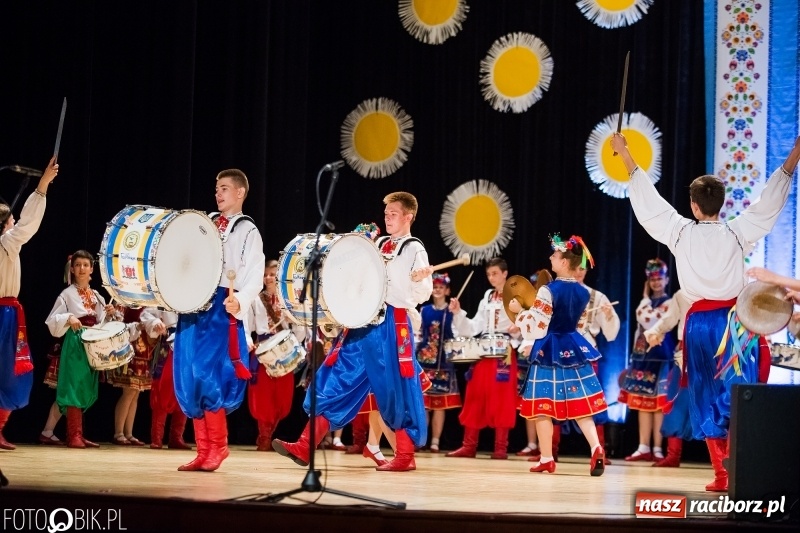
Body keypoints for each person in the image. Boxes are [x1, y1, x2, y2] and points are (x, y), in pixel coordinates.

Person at [610, 132, 800, 491]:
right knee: (738, 392)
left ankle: (723, 474)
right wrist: (793, 158)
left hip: (700, 326)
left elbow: (649, 201)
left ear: (694, 207)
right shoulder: (736, 232)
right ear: (721, 205)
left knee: (706, 393)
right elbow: (767, 206)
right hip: (735, 325)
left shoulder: (681, 232)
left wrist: (625, 155)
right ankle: (744, 469)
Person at [273, 191, 433, 472]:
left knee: (396, 388)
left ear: (409, 217)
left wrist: (420, 281)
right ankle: (304, 444)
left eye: (393, 214)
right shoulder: (379, 243)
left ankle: (405, 457)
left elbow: (422, 292)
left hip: (391, 325)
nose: (388, 217)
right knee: (336, 378)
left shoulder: (413, 248)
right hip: (363, 323)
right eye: (386, 213)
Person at [173, 168, 265, 472]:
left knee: (205, 372)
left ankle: (219, 447)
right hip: (193, 303)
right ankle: (203, 450)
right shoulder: (206, 223)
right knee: (189, 373)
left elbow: (255, 273)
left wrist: (241, 298)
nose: (218, 193)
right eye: (217, 188)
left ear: (240, 193)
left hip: (219, 306)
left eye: (225, 188)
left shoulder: (247, 230)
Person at [511, 234, 608, 476]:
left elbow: (537, 325)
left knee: (542, 407)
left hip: (549, 349)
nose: (550, 258)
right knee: (580, 406)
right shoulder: (584, 293)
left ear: (564, 262)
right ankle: (596, 447)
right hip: (573, 348)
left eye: (554, 256)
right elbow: (580, 323)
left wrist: (519, 311)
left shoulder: (548, 290)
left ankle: (546, 458)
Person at [0, 157, 58, 450]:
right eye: (9, 221)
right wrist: (43, 185)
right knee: (10, 371)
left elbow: (24, 223)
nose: (13, 224)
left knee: (10, 370)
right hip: (3, 315)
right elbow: (28, 224)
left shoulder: (6, 242)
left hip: (8, 313)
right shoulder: (7, 242)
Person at [446, 257, 520, 460]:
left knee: (502, 398)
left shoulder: (516, 296)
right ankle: (469, 445)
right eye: (489, 274)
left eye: (495, 273)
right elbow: (474, 326)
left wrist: (518, 328)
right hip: (484, 351)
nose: (491, 277)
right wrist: (458, 312)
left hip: (504, 353)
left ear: (505, 273)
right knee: (475, 394)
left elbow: (527, 322)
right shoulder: (487, 297)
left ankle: (500, 448)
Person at [43, 250, 115, 448]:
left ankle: (77, 433)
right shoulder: (66, 294)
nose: (82, 269)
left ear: (92, 268)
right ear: (72, 269)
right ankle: (73, 435)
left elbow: (102, 323)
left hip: (92, 343)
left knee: (85, 386)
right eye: (78, 265)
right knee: (74, 386)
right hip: (75, 342)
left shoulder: (98, 296)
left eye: (86, 265)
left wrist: (109, 314)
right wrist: (68, 318)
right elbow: (52, 321)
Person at [618, 259, 675, 462]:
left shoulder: (669, 303)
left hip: (660, 356)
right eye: (652, 280)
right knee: (642, 402)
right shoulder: (650, 304)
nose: (656, 283)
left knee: (659, 403)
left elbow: (648, 319)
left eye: (659, 279)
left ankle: (658, 448)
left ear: (667, 280)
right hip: (642, 355)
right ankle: (643, 446)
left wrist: (644, 298)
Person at [245, 260, 304, 452]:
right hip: (263, 349)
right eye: (265, 275)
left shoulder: (289, 301)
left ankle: (268, 435)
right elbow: (247, 326)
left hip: (284, 349)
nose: (268, 278)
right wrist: (247, 339)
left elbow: (300, 331)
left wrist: (294, 320)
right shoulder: (254, 299)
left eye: (272, 274)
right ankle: (264, 437)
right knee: (263, 397)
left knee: (282, 398)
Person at [643, 289, 694, 467]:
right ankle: (673, 455)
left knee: (717, 403)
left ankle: (723, 460)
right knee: (676, 401)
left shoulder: (721, 290)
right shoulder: (682, 294)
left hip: (714, 351)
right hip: (685, 353)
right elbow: (670, 318)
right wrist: (655, 331)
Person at [574, 264, 619, 465]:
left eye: (582, 267)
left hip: (586, 353)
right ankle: (549, 452)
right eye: (575, 267)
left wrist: (608, 315)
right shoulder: (554, 292)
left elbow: (611, 333)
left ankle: (599, 450)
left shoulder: (596, 297)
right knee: (554, 398)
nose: (579, 271)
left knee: (592, 402)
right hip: (560, 351)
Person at [416, 272, 462, 453]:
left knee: (440, 405)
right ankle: (422, 440)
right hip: (424, 361)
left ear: (447, 290)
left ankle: (435, 441)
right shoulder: (424, 310)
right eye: (435, 287)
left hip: (443, 363)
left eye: (441, 287)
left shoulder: (451, 311)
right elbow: (419, 334)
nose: (437, 290)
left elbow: (457, 334)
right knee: (424, 404)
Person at [140, 309, 191, 449]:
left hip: (189, 343)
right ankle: (157, 438)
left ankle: (176, 437)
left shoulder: (197, 296)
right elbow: (146, 314)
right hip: (169, 345)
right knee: (163, 389)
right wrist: (156, 322)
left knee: (184, 391)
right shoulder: (165, 295)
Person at [104, 305, 152, 446]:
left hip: (144, 350)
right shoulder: (124, 301)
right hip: (130, 348)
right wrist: (137, 326)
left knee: (136, 393)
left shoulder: (147, 302)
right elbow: (118, 323)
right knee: (129, 391)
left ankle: (129, 433)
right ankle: (118, 433)